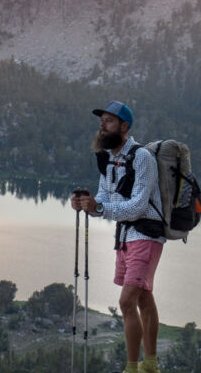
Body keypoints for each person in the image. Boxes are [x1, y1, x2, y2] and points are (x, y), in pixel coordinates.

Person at [71, 100, 166, 373]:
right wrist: (87, 204)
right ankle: (150, 364)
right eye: (101, 121)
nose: (102, 125)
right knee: (144, 297)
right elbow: (103, 198)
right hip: (125, 235)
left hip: (146, 234)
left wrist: (100, 207)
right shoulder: (109, 159)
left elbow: (138, 205)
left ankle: (131, 368)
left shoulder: (142, 158)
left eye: (109, 121)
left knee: (127, 301)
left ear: (124, 127)